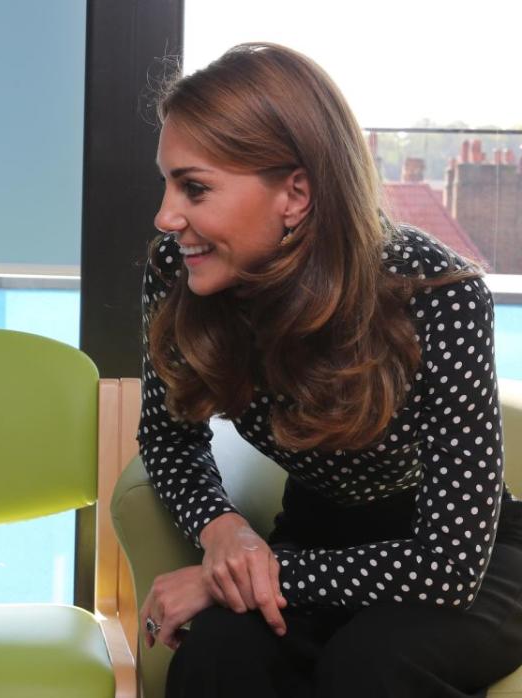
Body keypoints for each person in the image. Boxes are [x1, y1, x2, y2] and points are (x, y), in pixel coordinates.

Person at [137, 42, 522, 697]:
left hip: (470, 561)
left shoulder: (440, 294)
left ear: (296, 193)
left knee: (371, 669)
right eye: (168, 183)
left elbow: (449, 565)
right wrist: (224, 532)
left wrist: (233, 578)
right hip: (311, 536)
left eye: (194, 187)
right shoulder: (181, 269)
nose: (167, 216)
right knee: (216, 661)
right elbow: (168, 436)